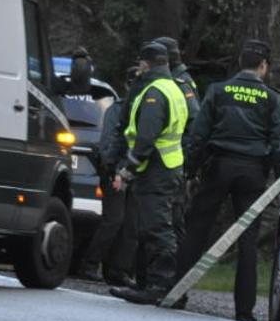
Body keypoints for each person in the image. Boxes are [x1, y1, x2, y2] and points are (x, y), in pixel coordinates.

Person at [173, 39, 280, 321]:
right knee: (247, 241)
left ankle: (176, 292)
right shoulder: (273, 99)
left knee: (196, 229)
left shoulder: (218, 91)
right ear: (263, 67)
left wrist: (190, 170)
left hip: (218, 167)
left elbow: (199, 135)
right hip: (252, 173)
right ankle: (244, 311)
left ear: (240, 63)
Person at [109, 41, 189, 305]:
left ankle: (160, 286)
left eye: (141, 63)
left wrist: (126, 169)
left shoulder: (154, 92)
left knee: (157, 228)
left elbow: (145, 138)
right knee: (157, 226)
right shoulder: (174, 87)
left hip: (155, 169)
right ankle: (156, 285)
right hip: (169, 166)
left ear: (146, 63)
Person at [77, 71, 134, 286]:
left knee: (128, 223)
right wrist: (113, 169)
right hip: (115, 171)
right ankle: (89, 264)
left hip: (132, 170)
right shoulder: (117, 110)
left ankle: (117, 270)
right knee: (114, 220)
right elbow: (110, 141)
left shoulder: (140, 108)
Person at [154, 35, 200, 248]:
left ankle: (174, 271)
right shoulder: (173, 80)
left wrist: (186, 160)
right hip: (166, 161)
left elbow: (193, 123)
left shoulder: (181, 83)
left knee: (172, 217)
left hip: (173, 162)